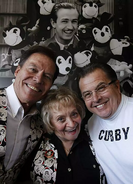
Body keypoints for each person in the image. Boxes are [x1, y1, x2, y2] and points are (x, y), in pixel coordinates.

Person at [0, 45, 59, 184]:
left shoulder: (40, 123)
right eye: (33, 69)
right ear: (18, 70)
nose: (38, 79)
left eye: (47, 76)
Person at [30, 87, 106, 184]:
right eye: (61, 119)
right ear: (50, 123)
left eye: (74, 114)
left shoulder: (96, 140)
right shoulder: (36, 144)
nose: (71, 124)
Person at [78, 62, 133, 184]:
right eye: (88, 94)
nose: (96, 98)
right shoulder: (91, 123)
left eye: (101, 88)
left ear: (117, 86)